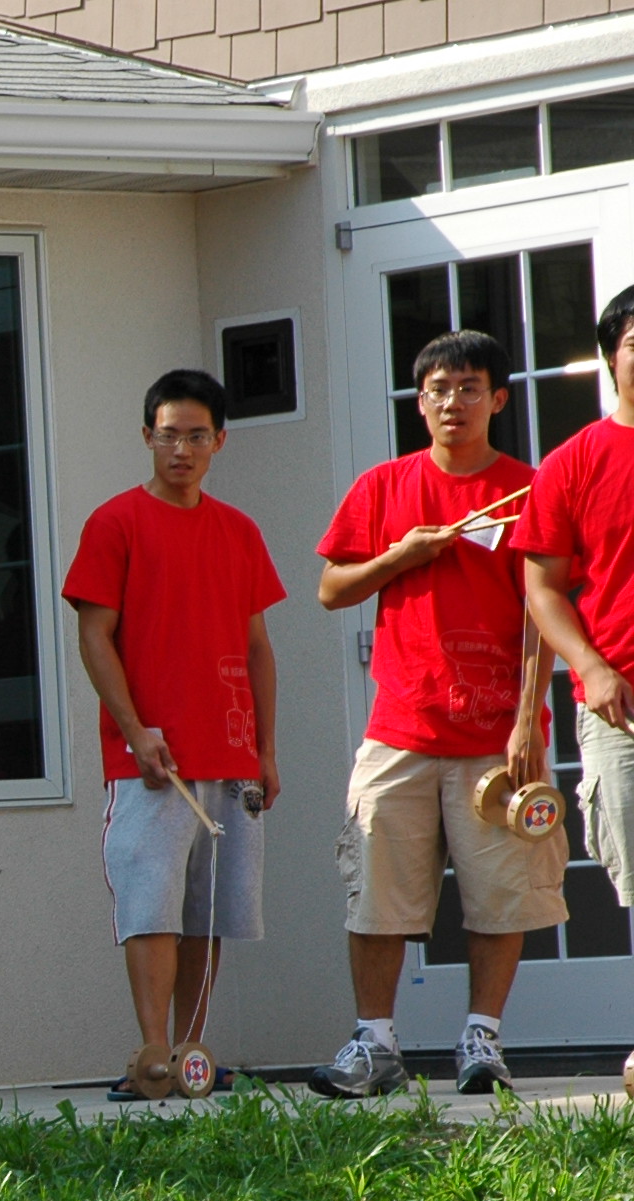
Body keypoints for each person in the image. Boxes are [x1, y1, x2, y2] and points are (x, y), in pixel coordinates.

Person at [311, 330, 551, 1098]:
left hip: (495, 734)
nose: (454, 402)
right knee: (376, 889)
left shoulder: (529, 488)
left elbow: (545, 610)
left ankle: (482, 1038)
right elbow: (331, 589)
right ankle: (374, 1043)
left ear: (498, 399)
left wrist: (528, 718)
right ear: (420, 403)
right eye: (439, 390)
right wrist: (400, 556)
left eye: (469, 387)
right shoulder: (384, 487)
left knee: (501, 891)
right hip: (401, 728)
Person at [61, 368, 285, 1097]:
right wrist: (135, 731)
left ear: (220, 441)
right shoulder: (116, 522)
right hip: (152, 760)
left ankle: (192, 1053)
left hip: (229, 751)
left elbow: (258, 647)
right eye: (167, 436)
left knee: (207, 912)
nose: (180, 449)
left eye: (195, 436)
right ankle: (153, 1051)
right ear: (146, 437)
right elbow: (94, 636)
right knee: (150, 906)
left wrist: (265, 750)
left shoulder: (239, 530)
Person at [519, 285, 634, 930]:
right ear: (611, 358)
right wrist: (592, 669)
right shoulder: (571, 464)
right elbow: (542, 589)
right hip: (620, 704)